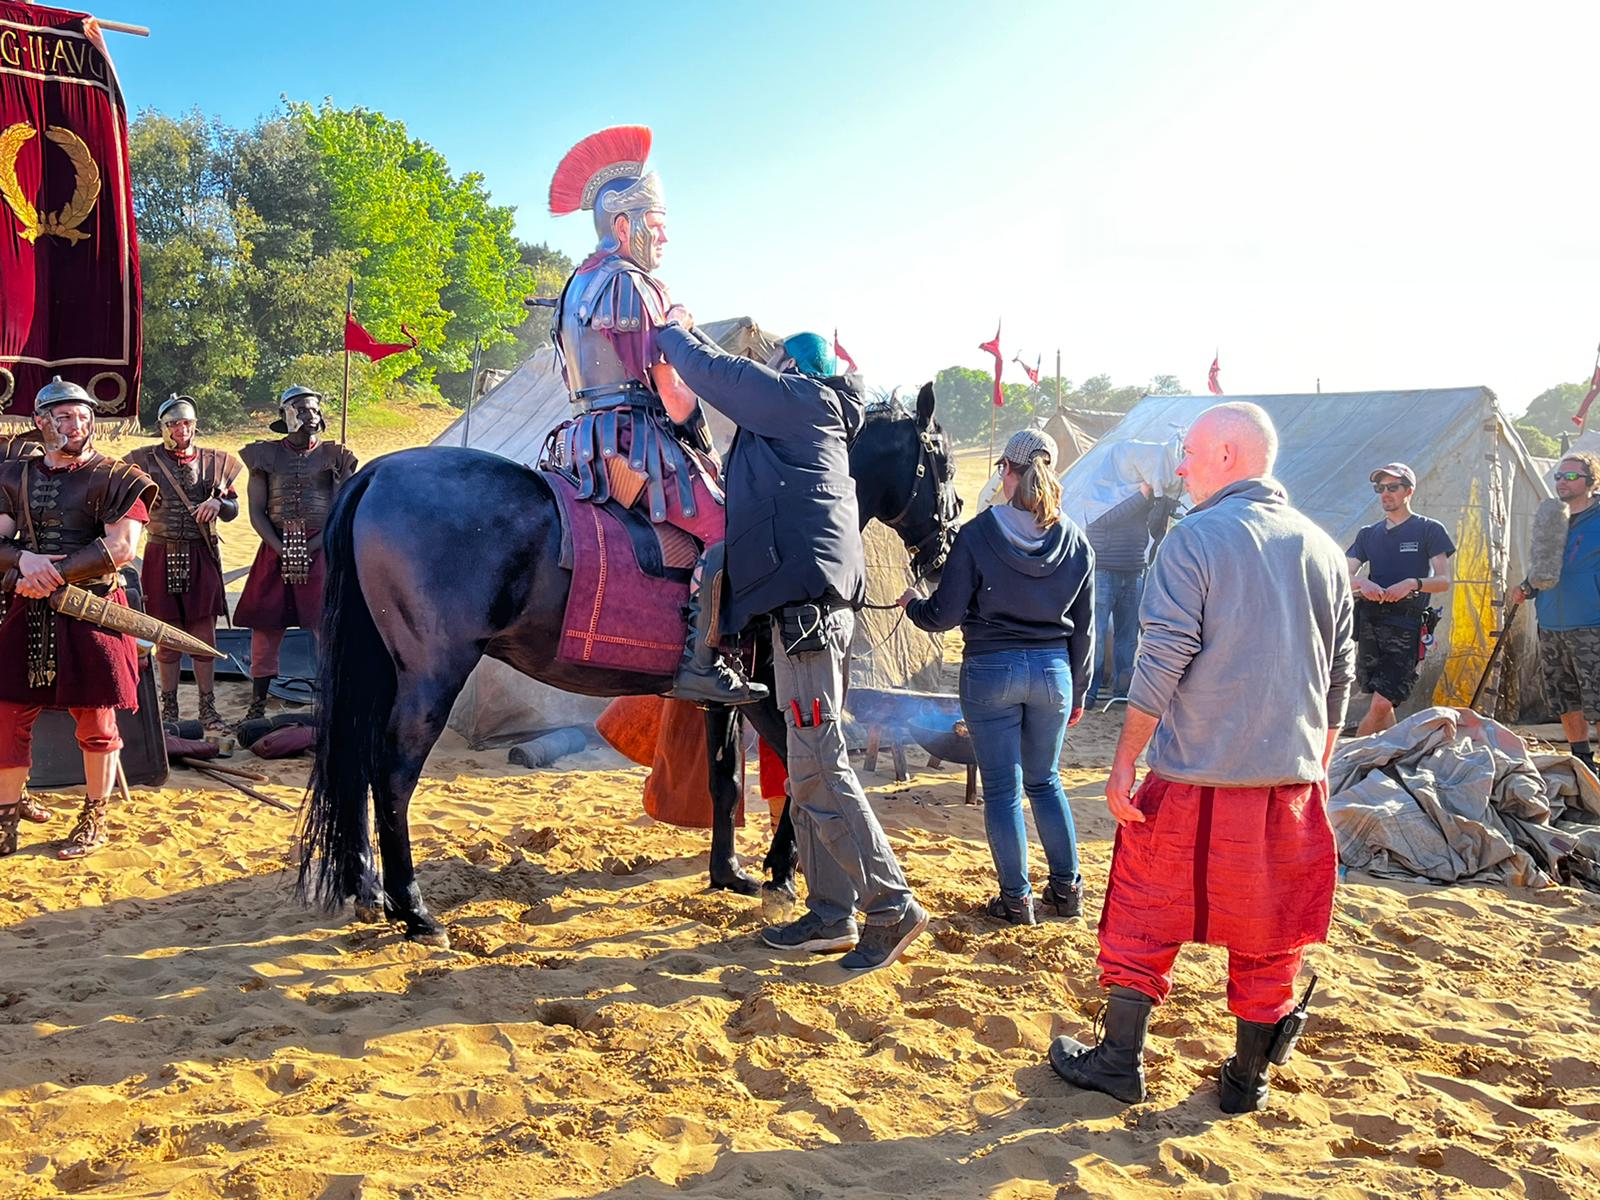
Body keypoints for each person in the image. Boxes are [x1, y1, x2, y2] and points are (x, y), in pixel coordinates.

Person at [1050, 402, 1354, 1113]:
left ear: (1227, 455)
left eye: (1189, 452)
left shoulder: (1195, 539)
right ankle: (1247, 1081)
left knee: (1140, 915)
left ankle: (1120, 1063)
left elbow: (1160, 660)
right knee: (1271, 937)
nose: (1179, 466)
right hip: (1289, 786)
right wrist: (1318, 762)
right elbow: (1341, 674)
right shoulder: (1324, 547)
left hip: (1192, 779)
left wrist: (1125, 760)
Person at [655, 319, 928, 975]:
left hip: (807, 614)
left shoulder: (802, 400)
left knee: (817, 761)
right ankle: (830, 913)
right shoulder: (808, 420)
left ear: (795, 370)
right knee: (806, 758)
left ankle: (890, 905)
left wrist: (671, 331)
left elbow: (718, 375)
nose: (767, 370)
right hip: (801, 610)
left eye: (775, 362)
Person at [547, 125, 763, 707]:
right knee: (725, 528)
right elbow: (670, 389)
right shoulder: (634, 285)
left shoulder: (577, 284)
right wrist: (703, 443)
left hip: (578, 441)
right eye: (657, 219)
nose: (664, 232)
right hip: (630, 441)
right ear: (624, 224)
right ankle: (700, 663)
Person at [900, 428, 1095, 925]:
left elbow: (944, 614)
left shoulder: (979, 532)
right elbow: (1086, 629)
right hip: (1054, 674)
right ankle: (1067, 893)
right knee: (1046, 782)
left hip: (991, 670)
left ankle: (1016, 900)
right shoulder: (1076, 540)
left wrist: (912, 606)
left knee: (1004, 791)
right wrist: (1079, 690)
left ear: (1007, 472)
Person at [0, 377, 156, 859]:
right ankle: (6, 817)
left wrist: (47, 574)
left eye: (84, 415)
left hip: (92, 611)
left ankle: (94, 817)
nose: (78, 424)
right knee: (6, 715)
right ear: (42, 422)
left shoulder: (117, 476)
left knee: (97, 722)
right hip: (25, 607)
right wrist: (23, 562)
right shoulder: (13, 475)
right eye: (65, 416)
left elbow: (121, 548)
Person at [234, 386, 358, 721]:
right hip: (274, 546)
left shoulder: (337, 456)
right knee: (266, 625)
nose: (310, 416)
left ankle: (336, 701)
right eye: (302, 410)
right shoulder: (264, 456)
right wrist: (280, 548)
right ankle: (258, 702)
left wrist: (313, 546)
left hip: (322, 547)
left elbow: (340, 507)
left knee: (327, 624)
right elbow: (257, 511)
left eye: (315, 410)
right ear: (286, 415)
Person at [123, 395, 243, 730]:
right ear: (163, 428)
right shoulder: (141, 463)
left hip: (200, 553)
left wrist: (219, 507)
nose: (182, 429)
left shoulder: (214, 463)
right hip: (160, 553)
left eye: (187, 423)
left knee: (203, 633)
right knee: (165, 633)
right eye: (175, 424)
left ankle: (208, 709)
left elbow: (233, 507)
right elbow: (118, 499)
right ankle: (170, 710)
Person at [1345, 462, 1454, 735]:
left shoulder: (1429, 529)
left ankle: (1351, 757)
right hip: (1370, 625)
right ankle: (1391, 756)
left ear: (1409, 491)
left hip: (1406, 627)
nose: (1385, 493)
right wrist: (1361, 582)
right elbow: (1340, 574)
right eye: (1380, 488)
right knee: (1382, 701)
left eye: (1392, 487)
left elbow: (1444, 581)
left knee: (1382, 702)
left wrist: (1412, 584)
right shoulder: (1368, 534)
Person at [1514, 452, 1600, 771]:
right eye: (1559, 477)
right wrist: (1527, 585)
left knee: (1598, 698)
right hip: (1551, 622)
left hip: (1592, 622)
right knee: (1564, 695)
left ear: (1591, 482)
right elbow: (1545, 564)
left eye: (1571, 477)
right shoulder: (1551, 515)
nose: (1562, 481)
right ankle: (1581, 760)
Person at [1083, 480, 1153, 708]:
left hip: (1133, 569)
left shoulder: (1138, 491)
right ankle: (1089, 691)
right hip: (1103, 570)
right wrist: (1140, 497)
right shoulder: (1100, 489)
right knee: (1097, 635)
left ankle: (1122, 690)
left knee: (1128, 636)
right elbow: (1103, 520)